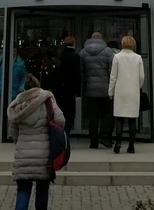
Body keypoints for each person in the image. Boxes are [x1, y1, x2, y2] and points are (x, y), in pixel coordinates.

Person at [8, 74, 65, 210]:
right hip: (44, 155)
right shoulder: (47, 99)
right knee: (42, 190)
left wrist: (20, 142)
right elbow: (60, 120)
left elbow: (13, 131)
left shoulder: (17, 104)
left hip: (23, 155)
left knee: (23, 189)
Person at [108, 35, 146, 154]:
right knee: (132, 119)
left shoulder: (117, 57)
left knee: (119, 118)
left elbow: (113, 76)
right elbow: (141, 76)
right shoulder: (138, 57)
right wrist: (137, 86)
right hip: (133, 91)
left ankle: (118, 142)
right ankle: (131, 146)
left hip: (120, 90)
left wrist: (111, 91)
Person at [79, 31, 115, 148]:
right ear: (101, 39)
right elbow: (113, 69)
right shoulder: (108, 51)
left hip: (90, 89)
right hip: (105, 89)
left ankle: (93, 142)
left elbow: (81, 71)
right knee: (107, 114)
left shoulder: (83, 52)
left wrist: (84, 85)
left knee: (92, 117)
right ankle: (104, 137)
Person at [55, 37, 81, 134]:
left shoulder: (60, 56)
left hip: (59, 89)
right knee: (70, 115)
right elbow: (77, 76)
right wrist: (78, 93)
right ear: (74, 44)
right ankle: (65, 134)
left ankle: (59, 134)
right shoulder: (76, 57)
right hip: (70, 90)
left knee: (60, 113)